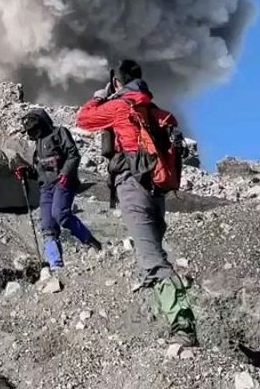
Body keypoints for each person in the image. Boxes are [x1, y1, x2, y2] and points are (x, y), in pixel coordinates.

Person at [77, 59, 197, 346]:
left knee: (152, 260)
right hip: (157, 192)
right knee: (154, 252)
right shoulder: (156, 112)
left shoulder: (119, 107)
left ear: (117, 82)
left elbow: (83, 119)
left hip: (132, 186)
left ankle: (183, 327)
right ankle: (168, 317)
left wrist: (99, 96)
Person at [17, 109, 102, 273]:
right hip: (46, 188)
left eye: (33, 129)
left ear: (42, 124)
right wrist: (27, 172)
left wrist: (65, 173)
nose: (31, 133)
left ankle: (90, 241)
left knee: (60, 214)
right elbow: (39, 172)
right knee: (48, 225)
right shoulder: (38, 145)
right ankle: (55, 265)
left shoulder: (59, 133)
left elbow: (73, 155)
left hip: (63, 182)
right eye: (29, 131)